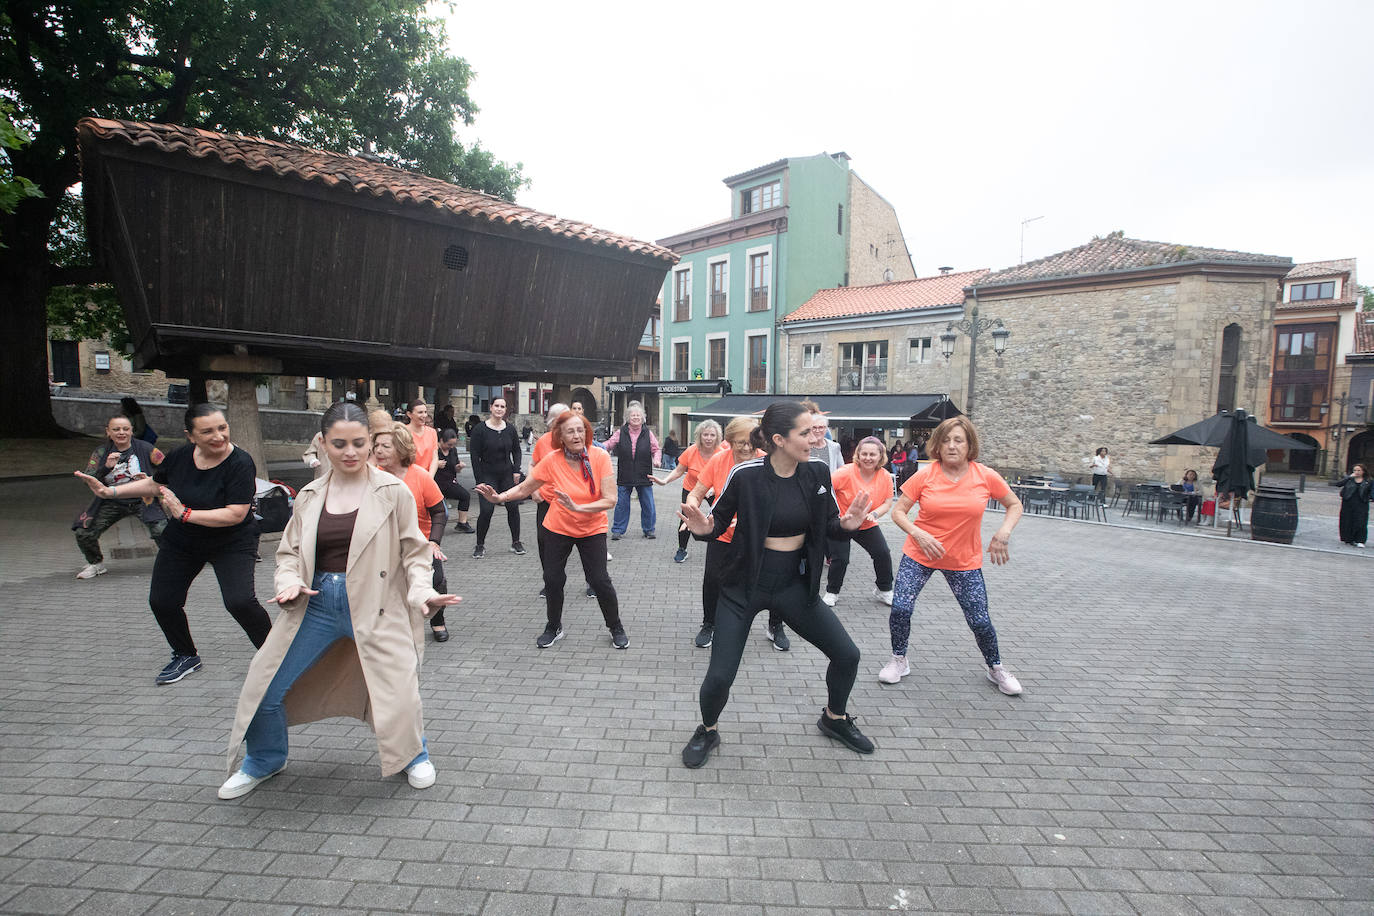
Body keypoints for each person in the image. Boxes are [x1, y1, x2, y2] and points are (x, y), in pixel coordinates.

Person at [218, 402, 460, 799]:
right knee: (262, 685)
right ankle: (264, 760)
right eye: (339, 443)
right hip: (315, 605)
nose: (350, 452)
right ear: (324, 444)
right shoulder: (310, 495)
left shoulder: (392, 491)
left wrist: (422, 592)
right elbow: (289, 553)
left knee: (399, 689)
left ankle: (413, 754)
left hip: (377, 603)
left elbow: (415, 553)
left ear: (370, 444)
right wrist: (290, 582)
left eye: (359, 443)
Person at [678, 401, 875, 768]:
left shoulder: (817, 473)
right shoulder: (746, 475)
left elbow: (830, 524)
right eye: (806, 433)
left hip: (794, 586)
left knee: (848, 655)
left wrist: (847, 525)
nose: (816, 439)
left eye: (816, 431)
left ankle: (834, 718)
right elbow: (717, 522)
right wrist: (703, 529)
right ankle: (708, 729)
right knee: (719, 676)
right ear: (780, 440)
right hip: (743, 588)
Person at [74, 404, 273, 685]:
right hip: (184, 539)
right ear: (191, 436)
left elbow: (236, 513)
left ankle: (276, 657)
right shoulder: (180, 456)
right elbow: (156, 485)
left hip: (231, 541)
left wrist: (187, 514)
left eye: (222, 428)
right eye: (207, 431)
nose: (218, 436)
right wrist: (110, 491)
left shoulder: (240, 462)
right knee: (162, 600)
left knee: (239, 601)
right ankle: (185, 655)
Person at [881, 416, 1026, 695]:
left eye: (958, 440)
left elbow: (1014, 505)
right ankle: (899, 659)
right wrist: (918, 533)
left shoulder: (984, 475)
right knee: (900, 608)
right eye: (945, 440)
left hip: (963, 559)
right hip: (920, 554)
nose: (951, 446)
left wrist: (1003, 533)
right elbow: (898, 512)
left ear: (969, 444)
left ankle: (995, 667)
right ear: (937, 445)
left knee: (979, 619)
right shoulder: (926, 474)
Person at [474, 411, 627, 649]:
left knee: (599, 580)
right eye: (570, 431)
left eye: (580, 430)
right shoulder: (553, 460)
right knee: (553, 579)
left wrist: (579, 507)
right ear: (560, 436)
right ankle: (553, 626)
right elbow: (525, 488)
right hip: (558, 527)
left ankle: (615, 626)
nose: (577, 435)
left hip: (591, 527)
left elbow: (610, 500)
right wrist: (499, 497)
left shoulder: (600, 457)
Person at [686, 418, 769, 649]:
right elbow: (697, 492)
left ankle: (776, 625)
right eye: (740, 442)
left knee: (770, 582)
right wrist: (693, 509)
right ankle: (709, 624)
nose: (746, 448)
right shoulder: (719, 460)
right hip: (721, 532)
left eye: (751, 442)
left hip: (756, 536)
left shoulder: (766, 461)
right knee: (712, 579)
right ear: (729, 441)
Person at [375, 424, 452, 643]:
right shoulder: (371, 478)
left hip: (421, 542)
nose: (378, 451)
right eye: (376, 446)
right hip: (386, 544)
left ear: (400, 449)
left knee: (437, 580)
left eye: (385, 446)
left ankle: (438, 620)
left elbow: (439, 512)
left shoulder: (419, 476)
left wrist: (434, 543)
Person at [72, 413, 167, 579]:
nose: (121, 432)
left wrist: (152, 480)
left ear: (132, 431)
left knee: (162, 530)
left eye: (125, 429)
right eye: (116, 429)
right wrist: (106, 467)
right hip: (111, 501)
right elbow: (89, 479)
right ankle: (95, 564)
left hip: (143, 499)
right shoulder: (101, 452)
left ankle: (173, 562)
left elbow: (169, 468)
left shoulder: (146, 448)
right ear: (108, 432)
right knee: (83, 531)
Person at [823, 437, 896, 608]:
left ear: (880, 456)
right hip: (843, 523)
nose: (868, 458)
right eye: (864, 454)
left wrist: (875, 514)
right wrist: (832, 516)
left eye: (872, 454)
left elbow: (887, 502)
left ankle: (884, 589)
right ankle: (832, 592)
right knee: (840, 558)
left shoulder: (884, 476)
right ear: (858, 454)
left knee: (882, 552)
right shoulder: (846, 472)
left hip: (866, 524)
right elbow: (825, 489)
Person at [531, 403, 594, 599]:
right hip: (547, 500)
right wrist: (534, 490)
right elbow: (533, 465)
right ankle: (550, 581)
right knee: (544, 542)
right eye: (560, 421)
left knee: (586, 543)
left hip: (574, 503)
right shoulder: (543, 442)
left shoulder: (579, 442)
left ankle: (592, 581)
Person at [653, 420, 722, 565]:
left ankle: (721, 548)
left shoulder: (721, 453)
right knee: (686, 517)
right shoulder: (691, 451)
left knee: (720, 517)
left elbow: (726, 476)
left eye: (712, 435)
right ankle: (682, 549)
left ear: (717, 437)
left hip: (712, 489)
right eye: (705, 435)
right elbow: (679, 470)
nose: (708, 438)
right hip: (692, 488)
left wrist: (714, 488)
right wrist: (665, 481)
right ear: (699, 436)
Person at [468, 397, 524, 559]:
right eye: (496, 406)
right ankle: (480, 545)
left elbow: (517, 451)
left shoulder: (510, 429)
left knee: (513, 507)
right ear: (491, 408)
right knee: (487, 510)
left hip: (506, 474)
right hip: (487, 475)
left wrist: (516, 470)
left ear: (505, 410)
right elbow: (474, 457)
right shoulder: (480, 430)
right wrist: (479, 481)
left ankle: (516, 542)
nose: (499, 409)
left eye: (502, 406)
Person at [603, 402, 660, 539]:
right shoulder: (620, 432)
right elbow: (609, 444)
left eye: (638, 415)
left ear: (643, 417)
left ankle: (649, 529)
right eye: (633, 415)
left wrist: (657, 460)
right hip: (625, 473)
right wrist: (597, 448)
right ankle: (617, 530)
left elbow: (656, 449)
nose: (635, 417)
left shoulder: (648, 433)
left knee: (648, 504)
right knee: (622, 504)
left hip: (644, 473)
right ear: (628, 418)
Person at [434, 429, 474, 533]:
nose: (451, 447)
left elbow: (455, 468)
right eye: (449, 444)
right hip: (435, 483)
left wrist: (459, 467)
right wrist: (435, 464)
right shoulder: (433, 450)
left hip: (449, 482)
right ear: (441, 440)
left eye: (453, 444)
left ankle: (462, 523)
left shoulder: (453, 451)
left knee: (465, 496)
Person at [1337, 464, 1372, 548]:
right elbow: (1338, 484)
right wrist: (1349, 477)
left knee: (1361, 522)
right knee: (1347, 521)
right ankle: (1348, 538)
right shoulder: (1349, 480)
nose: (1356, 472)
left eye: (1359, 470)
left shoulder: (1368, 481)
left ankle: (1360, 540)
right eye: (1355, 470)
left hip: (1361, 503)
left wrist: (1370, 497)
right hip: (1348, 503)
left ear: (1363, 471)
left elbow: (1371, 491)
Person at [403, 398, 439, 478]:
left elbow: (434, 457)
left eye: (425, 412)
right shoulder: (402, 432)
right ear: (409, 414)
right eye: (420, 412)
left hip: (427, 477)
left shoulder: (432, 432)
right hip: (408, 477)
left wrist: (430, 477)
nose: (424, 415)